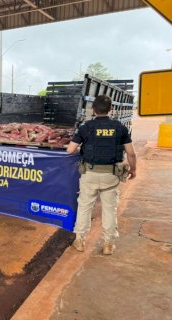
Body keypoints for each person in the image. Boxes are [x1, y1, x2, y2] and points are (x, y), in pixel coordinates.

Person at [66, 95, 137, 255]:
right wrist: (133, 170)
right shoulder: (120, 128)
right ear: (111, 109)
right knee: (109, 209)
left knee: (84, 207)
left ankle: (80, 241)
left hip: (89, 174)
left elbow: (70, 150)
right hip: (111, 176)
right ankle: (108, 245)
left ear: (93, 109)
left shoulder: (86, 127)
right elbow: (131, 153)